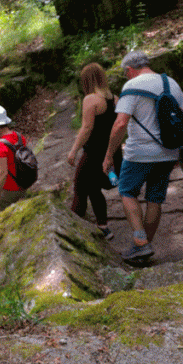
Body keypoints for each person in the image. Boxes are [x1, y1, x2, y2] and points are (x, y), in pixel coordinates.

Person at [102, 51, 183, 262]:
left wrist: (109, 154)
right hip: (168, 151)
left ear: (130, 70)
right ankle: (143, 246)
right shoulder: (172, 83)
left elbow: (121, 123)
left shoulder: (132, 86)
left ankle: (140, 242)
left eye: (125, 73)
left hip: (139, 152)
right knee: (155, 198)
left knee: (127, 191)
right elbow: (182, 118)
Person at [67, 63, 122, 240]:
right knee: (86, 186)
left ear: (87, 80)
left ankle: (101, 226)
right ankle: (78, 217)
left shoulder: (90, 99)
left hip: (94, 153)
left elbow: (87, 128)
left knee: (85, 186)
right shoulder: (115, 98)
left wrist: (73, 151)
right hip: (113, 151)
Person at [0, 104, 27, 213]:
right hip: (24, 183)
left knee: (2, 216)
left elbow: (3, 172)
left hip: (10, 189)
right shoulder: (19, 137)